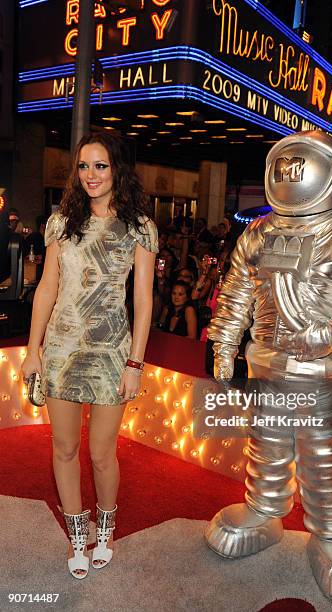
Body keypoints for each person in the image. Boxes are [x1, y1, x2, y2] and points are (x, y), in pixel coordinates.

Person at [205, 131, 332, 605]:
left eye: (299, 167)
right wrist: (224, 342)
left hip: (321, 369)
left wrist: (329, 335)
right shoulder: (259, 232)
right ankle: (263, 510)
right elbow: (237, 290)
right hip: (267, 362)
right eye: (285, 167)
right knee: (267, 443)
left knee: (322, 455)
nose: (290, 175)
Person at [21, 133, 158, 580]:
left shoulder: (139, 226)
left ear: (117, 168)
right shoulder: (62, 222)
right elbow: (46, 288)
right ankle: (77, 536)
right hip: (62, 350)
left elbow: (143, 301)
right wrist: (33, 350)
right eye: (83, 166)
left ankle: (106, 526)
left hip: (111, 354)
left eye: (100, 166)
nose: (91, 175)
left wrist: (135, 363)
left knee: (102, 453)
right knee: (64, 449)